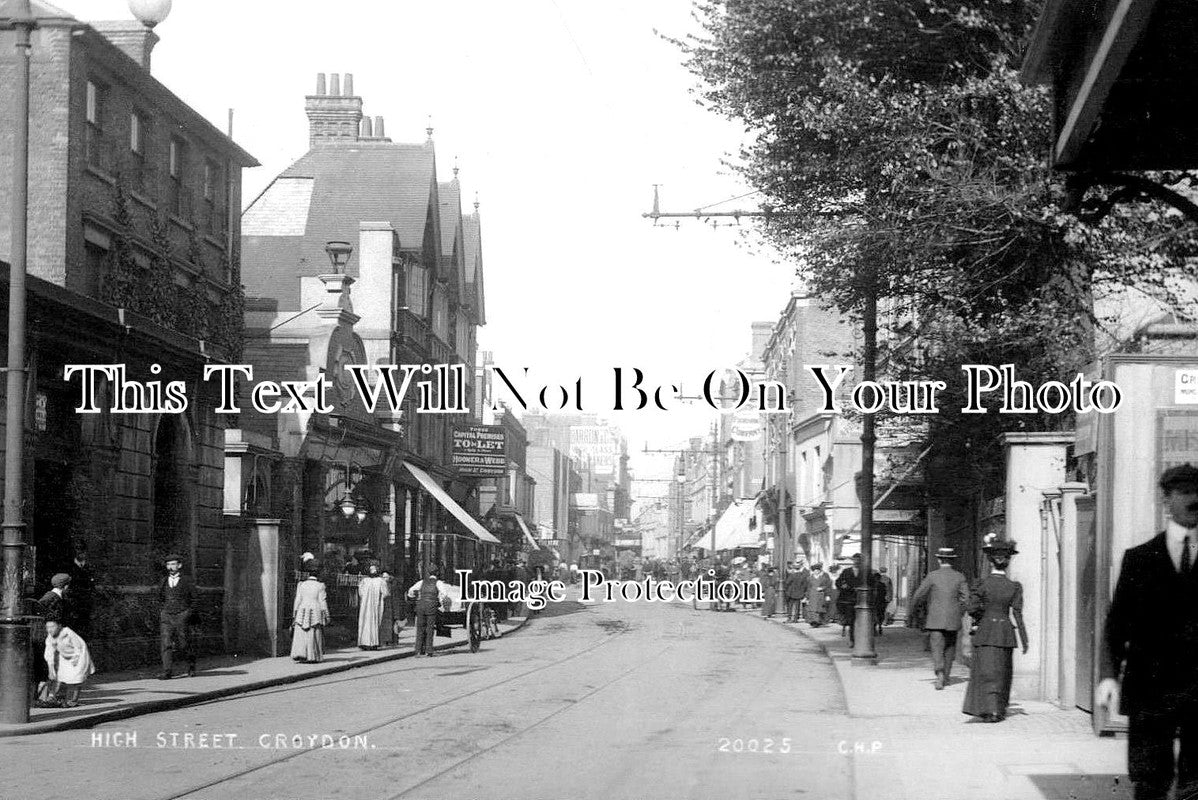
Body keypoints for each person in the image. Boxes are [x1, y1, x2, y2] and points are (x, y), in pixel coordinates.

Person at [1097, 463, 1198, 800]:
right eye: (1184, 492)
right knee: (1150, 779)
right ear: (1167, 500)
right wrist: (1110, 675)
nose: (1193, 500)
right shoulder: (1139, 559)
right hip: (1151, 686)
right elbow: (1117, 624)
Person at [962, 539, 1028, 723]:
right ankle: (998, 710)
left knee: (985, 671)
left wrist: (978, 619)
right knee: (1002, 672)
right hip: (1006, 633)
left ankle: (985, 709)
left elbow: (972, 607)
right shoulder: (1014, 586)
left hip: (985, 632)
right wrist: (1024, 639)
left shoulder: (981, 584)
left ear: (990, 561)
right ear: (1008, 562)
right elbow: (1018, 613)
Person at [911, 547, 969, 690]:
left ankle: (940, 672)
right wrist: (959, 611)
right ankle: (947, 676)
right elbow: (966, 598)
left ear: (939, 560)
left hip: (935, 618)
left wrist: (913, 611)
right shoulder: (959, 576)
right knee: (950, 647)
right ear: (953, 561)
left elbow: (919, 595)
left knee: (936, 646)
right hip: (953, 618)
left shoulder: (932, 576)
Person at [158, 555, 197, 680]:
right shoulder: (163, 581)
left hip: (182, 614)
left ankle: (191, 665)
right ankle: (167, 671)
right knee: (166, 643)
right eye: (168, 565)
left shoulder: (187, 580)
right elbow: (159, 597)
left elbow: (195, 598)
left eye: (173, 564)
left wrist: (188, 613)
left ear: (179, 565)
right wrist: (163, 611)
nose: (171, 567)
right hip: (167, 615)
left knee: (184, 642)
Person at [42, 619, 95, 708]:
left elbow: (80, 647)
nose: (50, 629)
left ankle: (72, 700)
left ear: (59, 626)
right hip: (63, 658)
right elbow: (49, 653)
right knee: (58, 677)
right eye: (47, 627)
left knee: (75, 679)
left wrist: (77, 660)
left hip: (78, 658)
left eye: (52, 627)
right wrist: (50, 668)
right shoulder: (50, 638)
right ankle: (54, 698)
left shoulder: (68, 633)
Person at [406, 565, 451, 657]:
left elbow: (411, 591)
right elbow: (444, 595)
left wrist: (414, 598)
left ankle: (418, 650)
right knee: (430, 628)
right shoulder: (438, 583)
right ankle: (428, 650)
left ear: (428, 573)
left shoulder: (421, 582)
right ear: (437, 573)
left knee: (420, 628)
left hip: (420, 606)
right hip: (431, 607)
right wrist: (443, 605)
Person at [291, 560, 330, 663]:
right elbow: (322, 602)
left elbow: (297, 600)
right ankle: (312, 655)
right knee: (313, 632)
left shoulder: (302, 584)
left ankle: (301, 654)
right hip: (315, 609)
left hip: (302, 609)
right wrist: (327, 615)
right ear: (317, 573)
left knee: (302, 632)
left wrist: (294, 614)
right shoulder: (320, 585)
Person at [357, 564, 390, 650]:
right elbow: (385, 593)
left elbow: (360, 593)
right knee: (375, 622)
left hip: (365, 606)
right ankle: (373, 642)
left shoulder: (364, 581)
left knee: (365, 622)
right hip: (376, 605)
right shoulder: (381, 581)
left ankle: (364, 642)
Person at [67, 542, 95, 639]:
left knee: (85, 622)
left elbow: (92, 584)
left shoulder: (89, 567)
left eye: (82, 551)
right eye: (78, 551)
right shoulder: (69, 567)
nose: (80, 554)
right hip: (74, 600)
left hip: (86, 600)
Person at [836, 555, 863, 645]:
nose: (857, 562)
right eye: (855, 560)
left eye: (859, 560)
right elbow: (838, 582)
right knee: (851, 620)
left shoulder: (864, 572)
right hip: (848, 600)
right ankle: (852, 639)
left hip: (861, 600)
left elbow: (871, 583)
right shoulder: (846, 571)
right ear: (853, 561)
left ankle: (861, 639)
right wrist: (842, 586)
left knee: (861, 621)